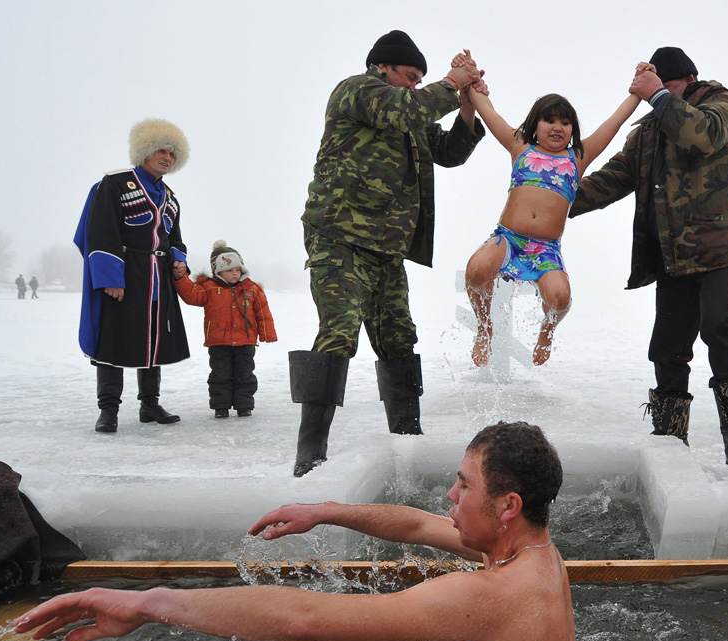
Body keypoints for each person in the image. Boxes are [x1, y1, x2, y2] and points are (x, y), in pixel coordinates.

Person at [15, 421, 575, 641]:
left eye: (463, 485)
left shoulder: (490, 597)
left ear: (507, 505)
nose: (450, 497)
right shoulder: (536, 554)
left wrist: (148, 603)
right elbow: (412, 523)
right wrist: (325, 510)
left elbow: (301, 621)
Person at [292, 31, 486, 477]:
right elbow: (407, 109)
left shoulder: (409, 112)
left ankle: (408, 441)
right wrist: (453, 82)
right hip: (339, 236)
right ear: (382, 67)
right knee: (339, 333)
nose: (415, 85)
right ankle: (310, 454)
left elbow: (449, 152)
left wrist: (469, 106)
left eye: (421, 78)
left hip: (386, 248)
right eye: (410, 75)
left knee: (399, 338)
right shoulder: (358, 91)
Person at [569, 48, 728, 466]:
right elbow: (615, 177)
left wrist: (657, 95)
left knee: (718, 325)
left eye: (668, 88)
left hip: (720, 248)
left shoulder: (721, 104)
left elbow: (701, 136)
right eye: (658, 90)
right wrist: (553, 201)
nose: (660, 96)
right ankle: (670, 436)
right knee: (668, 345)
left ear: (688, 79)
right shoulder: (649, 131)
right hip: (673, 254)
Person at [463, 67, 643, 367]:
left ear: (573, 129)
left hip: (544, 249)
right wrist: (469, 79)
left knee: (560, 298)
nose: (557, 127)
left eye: (565, 122)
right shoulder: (519, 145)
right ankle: (485, 328)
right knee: (476, 270)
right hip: (508, 238)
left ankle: (547, 331)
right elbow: (488, 111)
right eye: (550, 120)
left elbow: (614, 122)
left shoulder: (577, 157)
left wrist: (637, 93)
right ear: (536, 124)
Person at [74, 118, 191, 434]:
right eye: (161, 151)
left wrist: (179, 261)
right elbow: (100, 231)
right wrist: (111, 277)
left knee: (153, 341)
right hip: (124, 275)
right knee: (113, 341)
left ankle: (149, 405)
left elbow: (173, 239)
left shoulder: (169, 197)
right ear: (145, 150)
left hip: (157, 278)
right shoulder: (114, 184)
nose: (167, 157)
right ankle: (108, 409)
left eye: (172, 153)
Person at [172, 240, 278, 418]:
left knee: (244, 374)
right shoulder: (208, 288)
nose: (235, 273)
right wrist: (180, 278)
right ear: (217, 271)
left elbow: (263, 312)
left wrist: (267, 333)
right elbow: (191, 295)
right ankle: (220, 406)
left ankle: (244, 405)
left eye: (237, 270)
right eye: (229, 270)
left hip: (245, 341)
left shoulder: (252, 289)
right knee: (220, 375)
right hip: (218, 342)